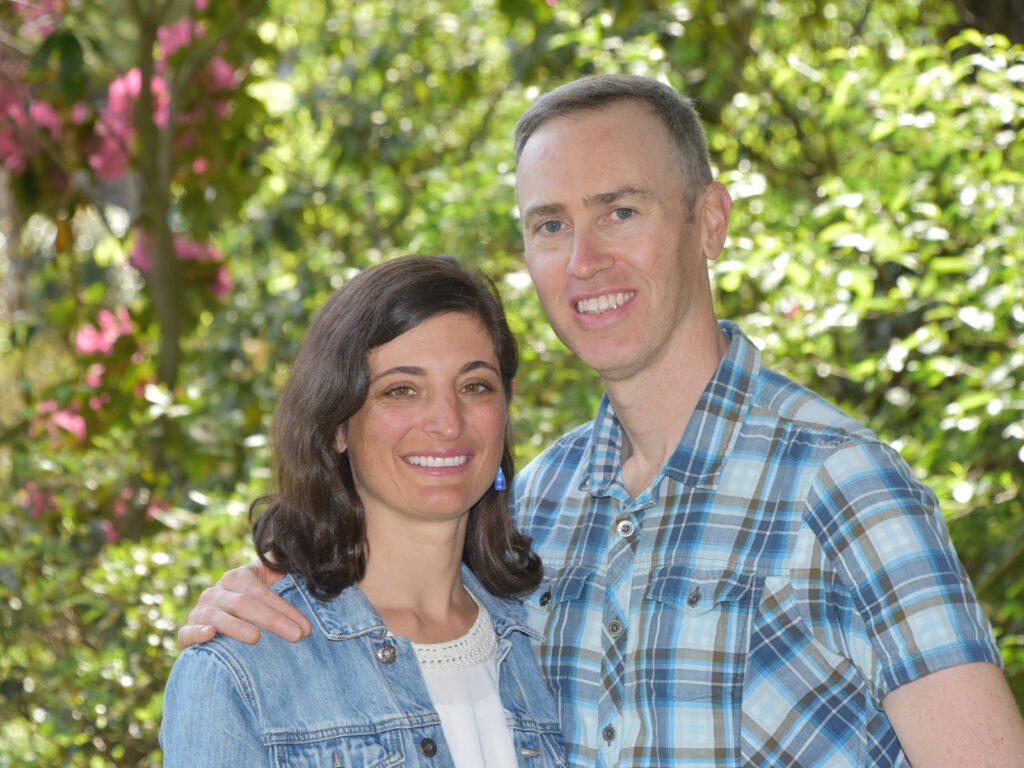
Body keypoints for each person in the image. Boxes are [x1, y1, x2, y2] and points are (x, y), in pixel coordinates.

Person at [176, 76, 1024, 766]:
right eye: (552, 225)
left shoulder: (843, 485)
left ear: (710, 222)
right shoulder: (541, 505)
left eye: (620, 210)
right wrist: (254, 598)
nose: (584, 261)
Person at [161, 255, 567, 766]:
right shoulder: (245, 670)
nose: (447, 421)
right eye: (401, 390)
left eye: (474, 386)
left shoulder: (553, 642)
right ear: (336, 425)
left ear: (505, 407)